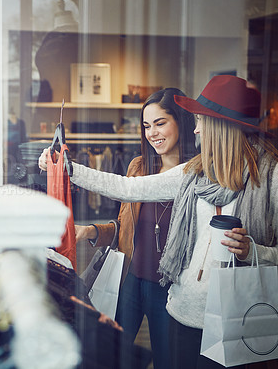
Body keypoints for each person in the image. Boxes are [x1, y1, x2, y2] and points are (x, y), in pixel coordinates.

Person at [38, 75, 278, 369]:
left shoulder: (269, 179)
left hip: (235, 316)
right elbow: (129, 188)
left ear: (222, 125)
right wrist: (68, 169)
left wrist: (252, 251)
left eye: (202, 120)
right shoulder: (196, 172)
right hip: (183, 311)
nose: (197, 127)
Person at [74, 88, 198, 369]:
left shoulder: (197, 175)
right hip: (130, 280)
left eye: (160, 123)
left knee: (168, 362)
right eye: (146, 126)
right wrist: (92, 231)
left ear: (182, 122)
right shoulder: (139, 167)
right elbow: (126, 228)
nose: (152, 133)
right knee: (108, 357)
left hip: (170, 289)